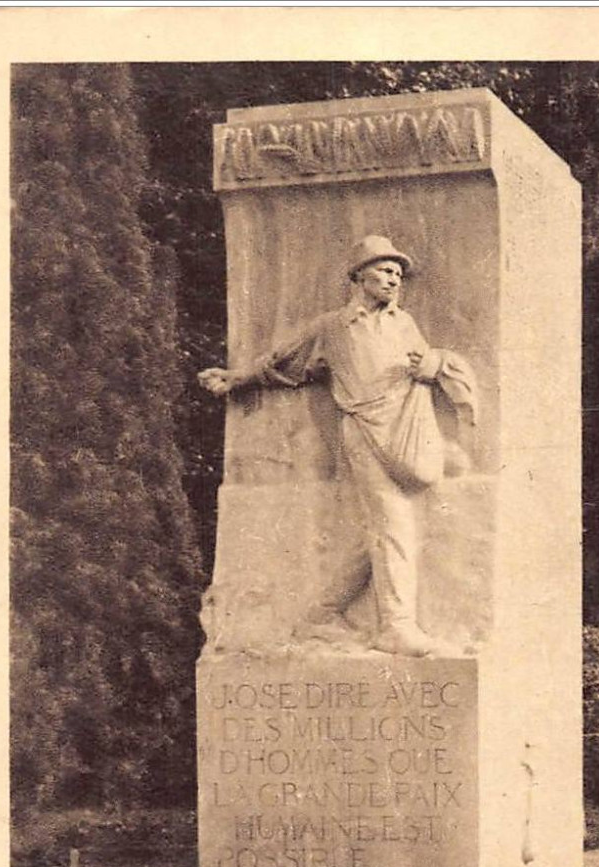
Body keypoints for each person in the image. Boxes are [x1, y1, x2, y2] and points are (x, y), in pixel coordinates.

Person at [199, 235, 476, 657]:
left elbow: (427, 365)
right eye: (384, 271)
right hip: (363, 431)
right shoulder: (332, 328)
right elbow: (283, 359)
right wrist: (238, 378)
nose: (393, 280)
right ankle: (396, 628)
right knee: (394, 525)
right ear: (359, 275)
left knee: (380, 533)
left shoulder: (404, 323)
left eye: (398, 274)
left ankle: (320, 614)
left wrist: (433, 365)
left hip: (402, 432)